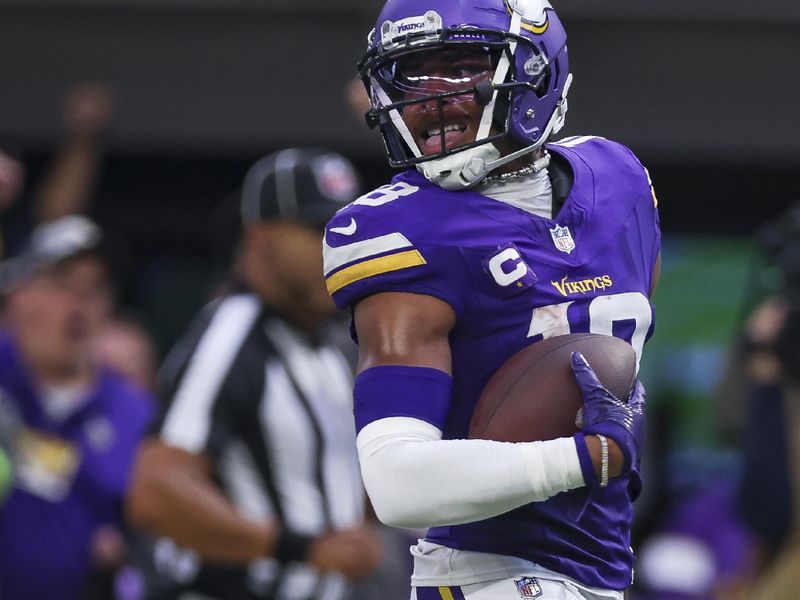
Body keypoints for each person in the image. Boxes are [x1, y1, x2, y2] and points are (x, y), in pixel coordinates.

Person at [321, 1, 661, 598]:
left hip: (602, 563)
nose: (430, 97)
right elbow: (396, 486)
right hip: (488, 574)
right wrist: (583, 458)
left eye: (459, 69)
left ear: (538, 71)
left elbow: (616, 349)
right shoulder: (402, 229)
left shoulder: (618, 179)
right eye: (411, 75)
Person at [126, 148, 383, 600]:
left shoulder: (327, 345)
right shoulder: (233, 330)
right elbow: (157, 492)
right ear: (260, 239)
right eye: (317, 230)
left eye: (344, 231)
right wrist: (300, 549)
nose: (338, 248)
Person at [0, 214, 156, 599]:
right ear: (17, 295)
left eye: (96, 288)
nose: (79, 304)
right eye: (62, 284)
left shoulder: (136, 414)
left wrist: (128, 550)